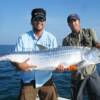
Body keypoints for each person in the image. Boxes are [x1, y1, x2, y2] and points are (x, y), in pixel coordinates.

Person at [13, 8, 64, 100]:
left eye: (42, 19)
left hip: (46, 80)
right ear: (31, 21)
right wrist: (18, 66)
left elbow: (56, 64)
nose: (39, 21)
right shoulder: (22, 38)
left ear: (45, 22)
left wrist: (59, 69)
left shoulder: (51, 38)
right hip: (28, 81)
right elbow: (14, 59)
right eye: (36, 19)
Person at [63, 13, 100, 100]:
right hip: (76, 75)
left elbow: (97, 44)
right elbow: (65, 60)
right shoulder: (66, 40)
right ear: (68, 25)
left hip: (91, 72)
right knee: (77, 98)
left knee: (97, 96)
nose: (73, 23)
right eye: (70, 22)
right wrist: (67, 67)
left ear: (79, 22)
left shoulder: (90, 32)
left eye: (75, 20)